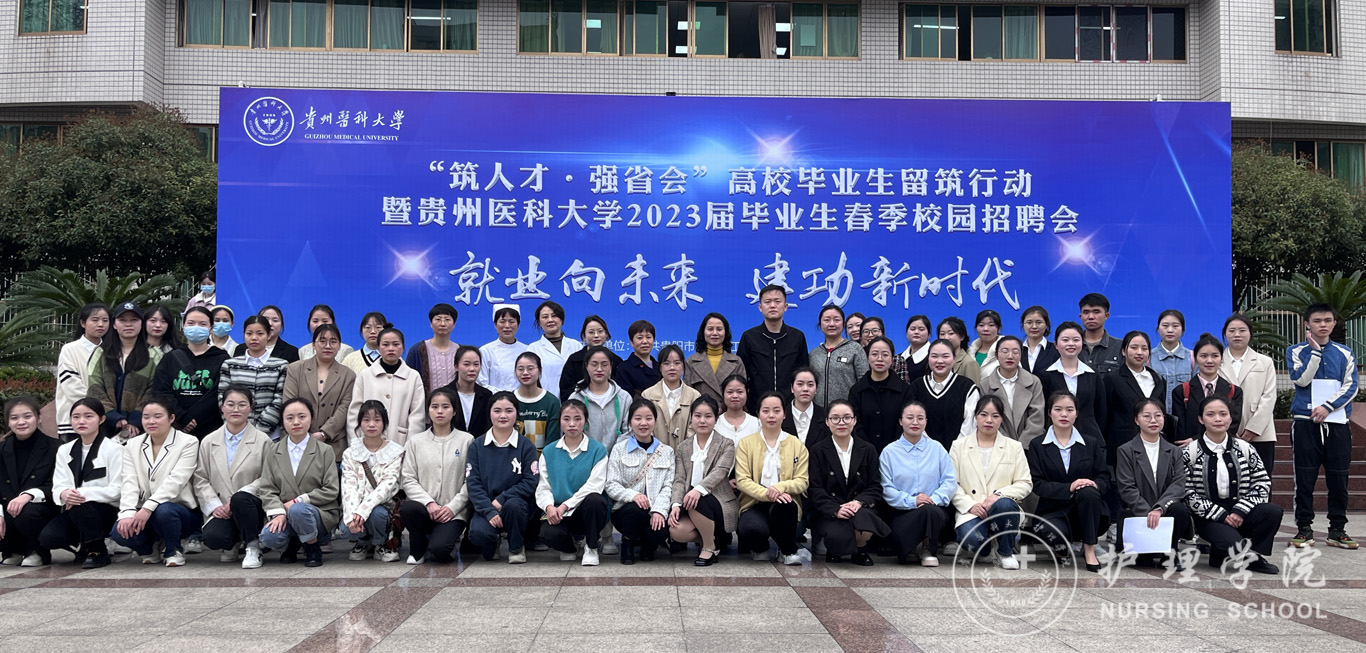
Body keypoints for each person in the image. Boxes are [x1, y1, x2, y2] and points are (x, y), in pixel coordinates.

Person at [1287, 303, 1359, 550]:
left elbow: (1351, 386)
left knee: (1339, 478)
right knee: (1304, 478)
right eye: (1317, 321)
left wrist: (1328, 406)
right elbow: (1300, 380)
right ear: (1307, 323)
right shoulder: (1296, 351)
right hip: (1305, 423)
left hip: (1337, 423)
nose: (1323, 325)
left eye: (1327, 320)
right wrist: (1316, 353)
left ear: (1334, 323)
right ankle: (1304, 529)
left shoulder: (1345, 353)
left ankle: (1337, 529)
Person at [1183, 396, 1281, 574]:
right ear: (1201, 419)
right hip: (1209, 517)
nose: (1218, 419)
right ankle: (1224, 550)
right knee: (1230, 543)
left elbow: (1262, 482)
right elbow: (1186, 491)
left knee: (1272, 511)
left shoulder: (1245, 448)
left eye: (1223, 414)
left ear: (1230, 418)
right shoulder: (1190, 451)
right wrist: (1219, 514)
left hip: (1241, 512)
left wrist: (1240, 511)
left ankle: (1253, 555)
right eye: (1210, 414)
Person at [110, 396, 200, 567]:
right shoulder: (132, 445)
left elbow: (176, 481)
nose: (151, 421)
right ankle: (149, 549)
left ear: (171, 418)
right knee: (119, 532)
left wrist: (148, 507)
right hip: (144, 510)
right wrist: (127, 513)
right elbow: (129, 481)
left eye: (158, 416)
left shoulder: (188, 442)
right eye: (146, 417)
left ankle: (173, 549)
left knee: (164, 511)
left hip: (178, 511)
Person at [1027, 392, 1110, 572]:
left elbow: (1104, 477)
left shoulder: (1091, 443)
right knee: (1055, 537)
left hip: (1087, 510)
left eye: (1069, 410)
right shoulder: (1037, 445)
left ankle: (1089, 550)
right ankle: (1061, 547)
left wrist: (1093, 484)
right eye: (1058, 409)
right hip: (1053, 511)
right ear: (1049, 413)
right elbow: (1037, 484)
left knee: (1088, 492)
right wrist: (1069, 487)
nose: (1064, 414)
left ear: (1076, 414)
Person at [949, 396, 1033, 569]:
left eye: (995, 416)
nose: (989, 420)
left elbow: (1025, 483)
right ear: (975, 416)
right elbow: (951, 483)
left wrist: (999, 495)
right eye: (984, 414)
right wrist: (970, 505)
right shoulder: (958, 446)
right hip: (972, 510)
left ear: (1001, 418)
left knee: (1004, 504)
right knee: (971, 539)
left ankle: (1005, 552)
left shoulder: (1014, 447)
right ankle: (986, 549)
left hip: (1002, 508)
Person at [255, 397, 341, 567]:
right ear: (283, 421)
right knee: (269, 537)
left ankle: (312, 546)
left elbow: (331, 489)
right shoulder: (273, 450)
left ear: (312, 419)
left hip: (318, 513)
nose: (296, 422)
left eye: (302, 416)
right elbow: (266, 488)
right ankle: (292, 542)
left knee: (298, 510)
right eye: (290, 418)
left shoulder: (325, 450)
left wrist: (299, 501)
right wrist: (278, 512)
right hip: (285, 513)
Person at [39, 398, 124, 568]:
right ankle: (85, 546)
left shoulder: (115, 449)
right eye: (76, 417)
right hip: (76, 509)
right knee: (49, 537)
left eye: (88, 416)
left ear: (101, 419)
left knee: (83, 507)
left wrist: (81, 494)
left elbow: (118, 490)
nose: (81, 421)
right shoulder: (65, 450)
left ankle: (97, 551)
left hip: (107, 511)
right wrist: (64, 494)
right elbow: (59, 485)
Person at [193, 387, 272, 568]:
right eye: (230, 404)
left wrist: (241, 495)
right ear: (222, 407)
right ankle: (232, 544)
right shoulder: (209, 441)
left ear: (250, 408)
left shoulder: (263, 441)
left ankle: (253, 546)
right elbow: (200, 478)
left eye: (242, 405)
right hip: (222, 507)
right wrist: (214, 505)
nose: (236, 409)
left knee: (241, 499)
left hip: (252, 507)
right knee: (213, 537)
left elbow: (268, 477)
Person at [808, 399, 889, 566]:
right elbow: (815, 488)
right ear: (827, 421)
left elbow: (874, 486)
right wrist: (836, 509)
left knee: (865, 520)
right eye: (835, 418)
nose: (841, 422)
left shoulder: (868, 449)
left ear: (854, 420)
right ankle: (837, 548)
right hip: (830, 510)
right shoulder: (817, 450)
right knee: (836, 535)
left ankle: (860, 547)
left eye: (846, 417)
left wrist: (858, 502)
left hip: (859, 509)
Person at [399, 389, 475, 565]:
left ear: (454, 411)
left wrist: (452, 507)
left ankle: (439, 541)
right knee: (408, 509)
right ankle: (418, 548)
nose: (440, 411)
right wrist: (429, 503)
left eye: (445, 407)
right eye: (435, 407)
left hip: (452, 512)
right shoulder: (415, 442)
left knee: (440, 550)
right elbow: (408, 478)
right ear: (428, 411)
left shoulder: (467, 440)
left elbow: (470, 480)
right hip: (424, 509)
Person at [734, 391, 809, 565]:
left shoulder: (796, 444)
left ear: (784, 414)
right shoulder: (746, 443)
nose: (771, 416)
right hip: (754, 502)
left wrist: (780, 487)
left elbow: (802, 480)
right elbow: (742, 480)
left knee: (786, 508)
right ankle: (760, 547)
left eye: (776, 410)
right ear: (758, 414)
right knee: (752, 528)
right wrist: (767, 493)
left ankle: (787, 551)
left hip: (785, 503)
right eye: (766, 411)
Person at [880, 400, 956, 567]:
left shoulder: (937, 449)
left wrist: (931, 500)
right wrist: (913, 501)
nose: (915, 422)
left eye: (920, 418)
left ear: (926, 422)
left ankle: (929, 549)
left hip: (933, 509)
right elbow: (886, 488)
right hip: (902, 512)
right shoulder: (889, 452)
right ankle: (911, 548)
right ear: (900, 421)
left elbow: (950, 482)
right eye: (910, 417)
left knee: (929, 511)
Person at [466, 392, 540, 563]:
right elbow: (473, 483)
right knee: (478, 534)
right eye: (497, 411)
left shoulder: (526, 446)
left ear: (516, 414)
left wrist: (502, 499)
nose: (503, 416)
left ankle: (516, 547)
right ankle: (493, 542)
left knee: (514, 506)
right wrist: (489, 510)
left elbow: (530, 481)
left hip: (515, 505)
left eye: (509, 410)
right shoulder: (477, 445)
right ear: (490, 413)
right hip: (486, 506)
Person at [1114, 399, 1191, 563]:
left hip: (1165, 510)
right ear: (1136, 420)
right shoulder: (1126, 450)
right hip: (1138, 512)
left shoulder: (1174, 451)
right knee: (1144, 561)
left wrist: (1160, 508)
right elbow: (1127, 488)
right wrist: (1149, 512)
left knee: (1180, 510)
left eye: (1158, 415)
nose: (1153, 420)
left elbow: (1178, 484)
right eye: (1147, 416)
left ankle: (1170, 552)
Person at [536, 399, 610, 566]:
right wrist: (549, 507)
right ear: (560, 421)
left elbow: (595, 485)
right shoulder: (549, 451)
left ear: (585, 421)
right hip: (560, 513)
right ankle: (569, 547)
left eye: (577, 419)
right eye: (566, 419)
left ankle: (591, 547)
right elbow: (543, 486)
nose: (572, 424)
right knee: (547, 534)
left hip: (587, 511)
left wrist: (566, 505)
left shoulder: (598, 450)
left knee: (595, 499)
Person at [668, 395, 738, 566]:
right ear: (691, 418)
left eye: (708, 416)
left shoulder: (726, 444)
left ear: (716, 419)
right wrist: (675, 504)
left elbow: (720, 472)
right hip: (690, 502)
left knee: (697, 499)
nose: (702, 421)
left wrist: (697, 490)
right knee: (677, 531)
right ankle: (713, 539)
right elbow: (679, 479)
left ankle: (708, 547)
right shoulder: (683, 447)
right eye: (697, 416)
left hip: (718, 502)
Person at [604, 399, 676, 564]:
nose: (643, 423)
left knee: (662, 527)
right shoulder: (619, 449)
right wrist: (633, 496)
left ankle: (648, 546)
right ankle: (628, 542)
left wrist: (659, 511)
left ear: (655, 421)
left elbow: (668, 486)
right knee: (635, 511)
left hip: (655, 508)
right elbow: (611, 484)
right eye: (638, 418)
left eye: (648, 418)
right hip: (626, 510)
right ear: (630, 422)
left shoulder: (667, 451)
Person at [340, 401, 405, 563]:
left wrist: (363, 511)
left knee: (377, 515)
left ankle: (380, 543)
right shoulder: (350, 453)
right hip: (357, 507)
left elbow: (387, 487)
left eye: (377, 420)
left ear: (384, 423)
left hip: (382, 508)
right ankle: (362, 542)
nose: (371, 424)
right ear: (359, 423)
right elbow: (349, 487)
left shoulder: (395, 452)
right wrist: (353, 515)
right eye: (366, 420)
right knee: (346, 526)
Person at [89, 302, 164, 442]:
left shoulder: (154, 355)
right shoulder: (101, 353)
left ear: (141, 324)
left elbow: (155, 389)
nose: (128, 324)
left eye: (134, 320)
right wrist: (113, 416)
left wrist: (137, 418)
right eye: (122, 320)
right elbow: (94, 386)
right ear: (114, 324)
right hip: (104, 424)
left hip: (142, 427)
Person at [153, 306, 230, 438]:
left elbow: (220, 393)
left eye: (202, 324)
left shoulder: (222, 359)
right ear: (183, 327)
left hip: (211, 431)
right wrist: (181, 417)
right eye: (191, 323)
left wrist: (193, 418)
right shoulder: (170, 358)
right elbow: (161, 391)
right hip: (176, 428)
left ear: (211, 328)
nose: (196, 327)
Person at [283, 323, 357, 460]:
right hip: (297, 441)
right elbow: (289, 402)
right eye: (322, 341)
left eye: (333, 341)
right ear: (313, 344)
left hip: (333, 445)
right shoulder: (295, 369)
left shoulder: (348, 375)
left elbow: (345, 407)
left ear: (339, 346)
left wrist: (324, 433)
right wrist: (304, 433)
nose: (328, 346)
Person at [0, 397, 59, 566]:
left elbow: (57, 485)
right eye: (14, 418)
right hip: (7, 508)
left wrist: (28, 495)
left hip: (42, 507)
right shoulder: (1, 449)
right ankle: (13, 550)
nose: (21, 422)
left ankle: (36, 551)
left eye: (27, 416)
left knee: (27, 513)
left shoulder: (56, 447)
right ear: (8, 422)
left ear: (39, 418)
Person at [1221, 315, 1280, 475]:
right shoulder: (1217, 361)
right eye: (1232, 330)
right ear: (1225, 334)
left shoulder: (1264, 362)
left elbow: (1269, 397)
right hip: (1223, 431)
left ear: (1250, 333)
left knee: (1261, 477)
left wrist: (1254, 428)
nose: (1237, 334)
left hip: (1261, 433)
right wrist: (1228, 429)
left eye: (1242, 330)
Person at [347, 327, 426, 447]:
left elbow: (417, 415)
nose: (391, 348)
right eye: (385, 344)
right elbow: (354, 412)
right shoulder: (365, 375)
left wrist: (410, 447)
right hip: (367, 443)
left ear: (403, 347)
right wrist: (356, 444)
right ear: (378, 348)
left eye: (396, 344)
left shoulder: (413, 376)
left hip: (400, 442)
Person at [737, 284, 809, 411]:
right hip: (757, 407)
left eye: (777, 301)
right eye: (767, 302)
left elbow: (803, 373)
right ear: (760, 307)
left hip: (791, 407)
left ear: (785, 306)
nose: (772, 305)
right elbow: (741, 375)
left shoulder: (797, 337)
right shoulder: (749, 337)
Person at [218, 315, 289, 439]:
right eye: (249, 333)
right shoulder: (230, 365)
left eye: (260, 333)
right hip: (236, 433)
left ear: (269, 335)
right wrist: (237, 426)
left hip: (270, 436)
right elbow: (222, 398)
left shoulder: (281, 365)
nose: (254, 338)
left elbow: (279, 400)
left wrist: (260, 430)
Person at [1038, 322, 1107, 445]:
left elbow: (1101, 410)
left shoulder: (1092, 374)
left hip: (1090, 438)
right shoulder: (1045, 375)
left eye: (1076, 340)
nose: (1071, 344)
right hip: (1056, 439)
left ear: (1082, 343)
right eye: (1065, 340)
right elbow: (1044, 412)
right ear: (1056, 344)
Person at [1170, 334, 1243, 447]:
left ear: (1221, 358)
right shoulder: (1181, 391)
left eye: (1215, 356)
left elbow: (1233, 425)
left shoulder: (1234, 391)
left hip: (1222, 447)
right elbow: (1180, 428)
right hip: (1191, 448)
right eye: (1203, 356)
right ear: (1195, 358)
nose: (1209, 361)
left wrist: (1197, 439)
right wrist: (1194, 443)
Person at [1104, 331, 1170, 455]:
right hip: (1122, 446)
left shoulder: (1158, 379)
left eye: (1144, 348)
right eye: (1134, 347)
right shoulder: (1112, 379)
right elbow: (1105, 416)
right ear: (1123, 351)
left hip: (1154, 446)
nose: (1139, 352)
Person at [909, 340, 981, 450]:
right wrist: (930, 448)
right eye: (934, 356)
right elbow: (913, 421)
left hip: (960, 452)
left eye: (945, 356)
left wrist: (956, 449)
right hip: (923, 452)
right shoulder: (916, 387)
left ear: (954, 358)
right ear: (928, 358)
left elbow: (970, 423)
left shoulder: (967, 387)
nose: (940, 361)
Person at [848, 337, 914, 452]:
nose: (880, 359)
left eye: (885, 355)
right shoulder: (856, 391)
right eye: (874, 354)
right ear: (867, 357)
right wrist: (868, 450)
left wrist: (892, 449)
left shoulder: (905, 390)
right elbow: (855, 425)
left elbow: (906, 422)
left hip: (899, 452)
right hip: (864, 453)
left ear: (892, 358)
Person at [56, 302, 109, 440]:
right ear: (83, 323)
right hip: (74, 422)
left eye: (105, 320)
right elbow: (71, 385)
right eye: (95, 320)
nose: (101, 324)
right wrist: (99, 406)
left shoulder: (110, 351)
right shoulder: (70, 349)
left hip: (104, 420)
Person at [978, 336, 1045, 445]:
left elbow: (1037, 416)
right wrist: (1009, 445)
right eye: (1005, 351)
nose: (1010, 356)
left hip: (1029, 445)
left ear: (1021, 355)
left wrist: (1022, 445)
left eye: (1015, 352)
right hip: (998, 445)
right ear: (996, 356)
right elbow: (986, 418)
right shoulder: (985, 384)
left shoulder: (1033, 382)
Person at [567, 346, 632, 454]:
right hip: (584, 457)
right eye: (594, 364)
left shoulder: (624, 397)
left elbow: (628, 431)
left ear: (611, 366)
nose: (599, 369)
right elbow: (570, 431)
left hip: (618, 458)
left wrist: (615, 455)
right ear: (586, 366)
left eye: (604, 364)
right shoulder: (575, 398)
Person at [640, 344, 699, 451]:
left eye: (677, 363)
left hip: (686, 455)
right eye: (666, 363)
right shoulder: (647, 395)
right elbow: (645, 429)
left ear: (683, 366)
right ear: (660, 367)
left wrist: (683, 453)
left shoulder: (694, 396)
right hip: (654, 455)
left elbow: (694, 428)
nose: (672, 367)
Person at [809, 304, 869, 409]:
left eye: (836, 320)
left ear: (843, 324)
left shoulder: (855, 349)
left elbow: (864, 383)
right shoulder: (814, 354)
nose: (832, 324)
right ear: (820, 324)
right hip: (819, 413)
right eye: (826, 320)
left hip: (847, 412)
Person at [684, 312, 747, 402]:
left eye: (719, 329)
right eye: (710, 329)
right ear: (703, 332)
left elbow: (742, 394)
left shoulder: (736, 361)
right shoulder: (691, 362)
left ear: (725, 332)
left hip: (729, 410)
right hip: (702, 410)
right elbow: (687, 396)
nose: (715, 333)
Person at [526, 300, 584, 398]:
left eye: (554, 316)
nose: (550, 320)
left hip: (575, 400)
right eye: (545, 317)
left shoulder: (576, 345)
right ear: (539, 322)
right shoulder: (533, 349)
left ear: (562, 319)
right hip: (546, 401)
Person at [558, 315, 621, 402]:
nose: (596, 335)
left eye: (600, 331)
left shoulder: (616, 361)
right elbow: (565, 390)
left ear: (606, 334)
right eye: (591, 332)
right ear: (584, 336)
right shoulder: (574, 360)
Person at [404, 303, 459, 396]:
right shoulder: (417, 350)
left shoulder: (461, 351)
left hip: (456, 404)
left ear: (454, 324)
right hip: (425, 403)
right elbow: (408, 381)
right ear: (431, 323)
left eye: (447, 319)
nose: (442, 324)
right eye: (438, 319)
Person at [439, 346, 493, 437]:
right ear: (456, 366)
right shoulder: (444, 394)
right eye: (466, 364)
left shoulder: (487, 395)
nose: (472, 369)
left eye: (476, 364)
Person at [514, 351, 562, 451]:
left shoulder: (551, 402)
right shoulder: (510, 400)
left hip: (543, 458)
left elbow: (553, 441)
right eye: (520, 369)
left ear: (540, 370)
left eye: (530, 368)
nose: (525, 373)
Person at [1151, 310, 1195, 414]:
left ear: (1183, 330)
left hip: (1185, 417)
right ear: (1158, 329)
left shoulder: (1193, 357)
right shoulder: (1148, 357)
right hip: (1156, 417)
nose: (1170, 330)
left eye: (1175, 326)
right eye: (1165, 326)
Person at [479, 306, 528, 393]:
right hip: (494, 398)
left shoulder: (527, 350)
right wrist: (502, 395)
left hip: (522, 398)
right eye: (502, 321)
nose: (507, 326)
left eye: (511, 321)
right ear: (495, 325)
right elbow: (481, 382)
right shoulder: (486, 351)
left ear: (518, 325)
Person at [782, 368, 831, 448]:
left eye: (810, 385)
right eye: (800, 384)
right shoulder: (780, 416)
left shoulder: (826, 416)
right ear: (792, 388)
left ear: (816, 389)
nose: (805, 389)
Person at [235, 305, 299, 363]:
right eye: (265, 319)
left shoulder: (291, 352)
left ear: (282, 325)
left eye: (275, 320)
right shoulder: (241, 349)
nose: (270, 323)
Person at [1076, 293, 1122, 374]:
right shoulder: (1069, 346)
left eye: (1096, 312)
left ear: (1106, 315)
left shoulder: (1120, 347)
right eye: (1086, 312)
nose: (1091, 317)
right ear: (1080, 316)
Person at [615, 320, 661, 397]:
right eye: (640, 338)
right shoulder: (624, 368)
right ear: (631, 342)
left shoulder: (660, 366)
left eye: (648, 337)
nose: (645, 341)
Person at [713, 374, 760, 446]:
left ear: (747, 393)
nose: (735, 396)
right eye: (730, 392)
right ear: (723, 394)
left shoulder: (757, 424)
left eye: (740, 392)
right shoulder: (715, 424)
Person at [936, 317, 981, 383]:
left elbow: (974, 388)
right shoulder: (936, 361)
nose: (946, 337)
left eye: (951, 333)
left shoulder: (969, 363)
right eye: (942, 334)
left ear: (962, 336)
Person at [1019, 306, 1059, 376]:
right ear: (1023, 325)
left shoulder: (1056, 350)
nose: (1034, 326)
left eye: (1039, 322)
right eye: (1029, 322)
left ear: (1046, 325)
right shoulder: (1017, 350)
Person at [893, 315, 932, 384]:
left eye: (921, 329)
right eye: (912, 329)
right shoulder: (899, 358)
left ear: (928, 334)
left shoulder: (933, 357)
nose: (916, 332)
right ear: (906, 333)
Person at [968, 309, 1003, 378]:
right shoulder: (969, 352)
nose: (985, 329)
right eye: (981, 325)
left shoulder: (1007, 351)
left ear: (998, 328)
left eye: (991, 325)